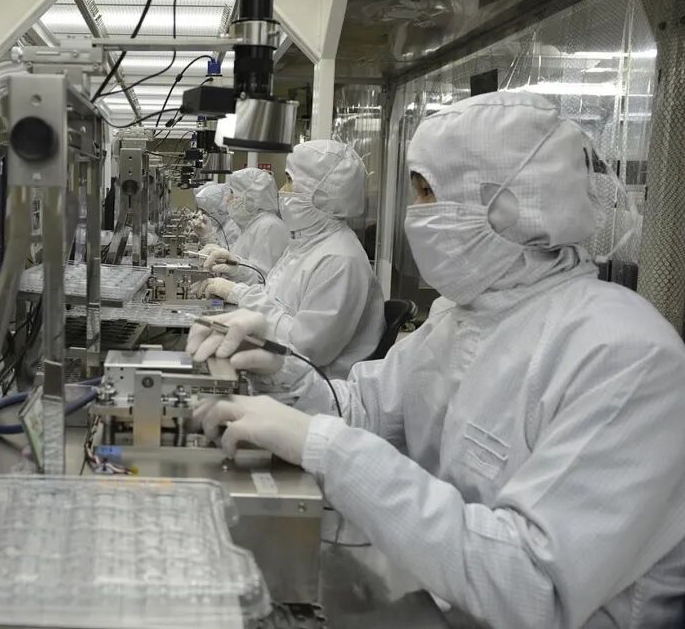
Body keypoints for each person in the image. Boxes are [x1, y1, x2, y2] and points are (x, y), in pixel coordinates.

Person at [189, 91, 685, 629]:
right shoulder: (461, 316)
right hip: (434, 595)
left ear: (504, 206)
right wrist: (278, 366)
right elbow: (364, 412)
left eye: (426, 192)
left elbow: (530, 586)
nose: (415, 214)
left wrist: (327, 448)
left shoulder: (624, 355)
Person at [197, 140, 385, 381]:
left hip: (312, 387)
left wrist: (240, 294)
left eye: (289, 180)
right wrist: (238, 278)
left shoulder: (339, 259)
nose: (282, 190)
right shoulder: (307, 243)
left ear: (322, 193)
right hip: (285, 371)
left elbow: (306, 347)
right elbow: (275, 297)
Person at [198, 167, 290, 284]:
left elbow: (262, 280)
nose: (227, 200)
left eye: (232, 193)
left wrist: (236, 272)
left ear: (250, 197)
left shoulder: (269, 226)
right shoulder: (252, 225)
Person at [192, 182, 240, 249]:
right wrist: (202, 238)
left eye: (206, 212)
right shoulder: (219, 224)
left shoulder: (233, 227)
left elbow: (228, 253)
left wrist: (208, 239)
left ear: (219, 210)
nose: (204, 216)